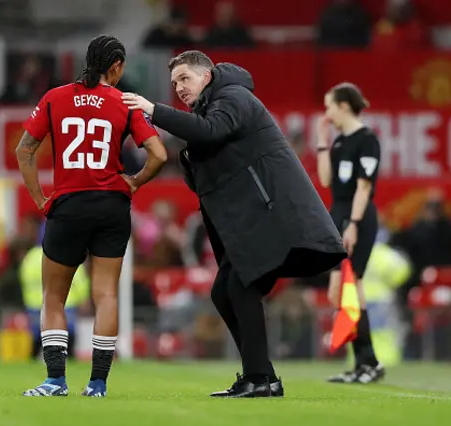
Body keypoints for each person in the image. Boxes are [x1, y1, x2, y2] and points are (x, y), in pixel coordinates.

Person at [122, 51, 346, 398]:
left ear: (206, 76)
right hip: (255, 219)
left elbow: (211, 132)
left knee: (240, 288)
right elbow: (202, 180)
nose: (178, 88)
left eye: (184, 78)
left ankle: (261, 378)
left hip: (274, 215)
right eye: (174, 83)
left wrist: (153, 111)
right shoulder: (208, 110)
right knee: (224, 291)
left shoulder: (234, 96)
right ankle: (261, 376)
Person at [16, 35, 167, 397]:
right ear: (115, 66)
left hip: (68, 205)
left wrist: (40, 199)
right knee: (105, 294)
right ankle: (97, 384)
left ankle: (55, 381)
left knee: (53, 296)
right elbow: (159, 154)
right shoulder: (124, 102)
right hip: (111, 206)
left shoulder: (55, 97)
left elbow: (25, 150)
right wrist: (134, 183)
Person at [315, 82, 385, 383]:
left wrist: (353, 224)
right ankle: (361, 364)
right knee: (336, 293)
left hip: (356, 217)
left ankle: (369, 364)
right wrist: (321, 141)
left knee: (351, 286)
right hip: (338, 215)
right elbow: (326, 179)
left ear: (344, 106)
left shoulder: (367, 140)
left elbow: (364, 186)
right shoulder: (340, 142)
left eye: (329, 106)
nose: (327, 113)